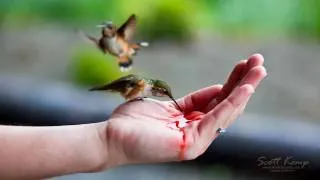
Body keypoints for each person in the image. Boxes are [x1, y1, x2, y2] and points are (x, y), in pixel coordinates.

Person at [0, 54, 267, 179]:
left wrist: (108, 141)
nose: (166, 97)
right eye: (164, 94)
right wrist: (108, 140)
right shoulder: (141, 84)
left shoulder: (149, 88)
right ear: (157, 89)